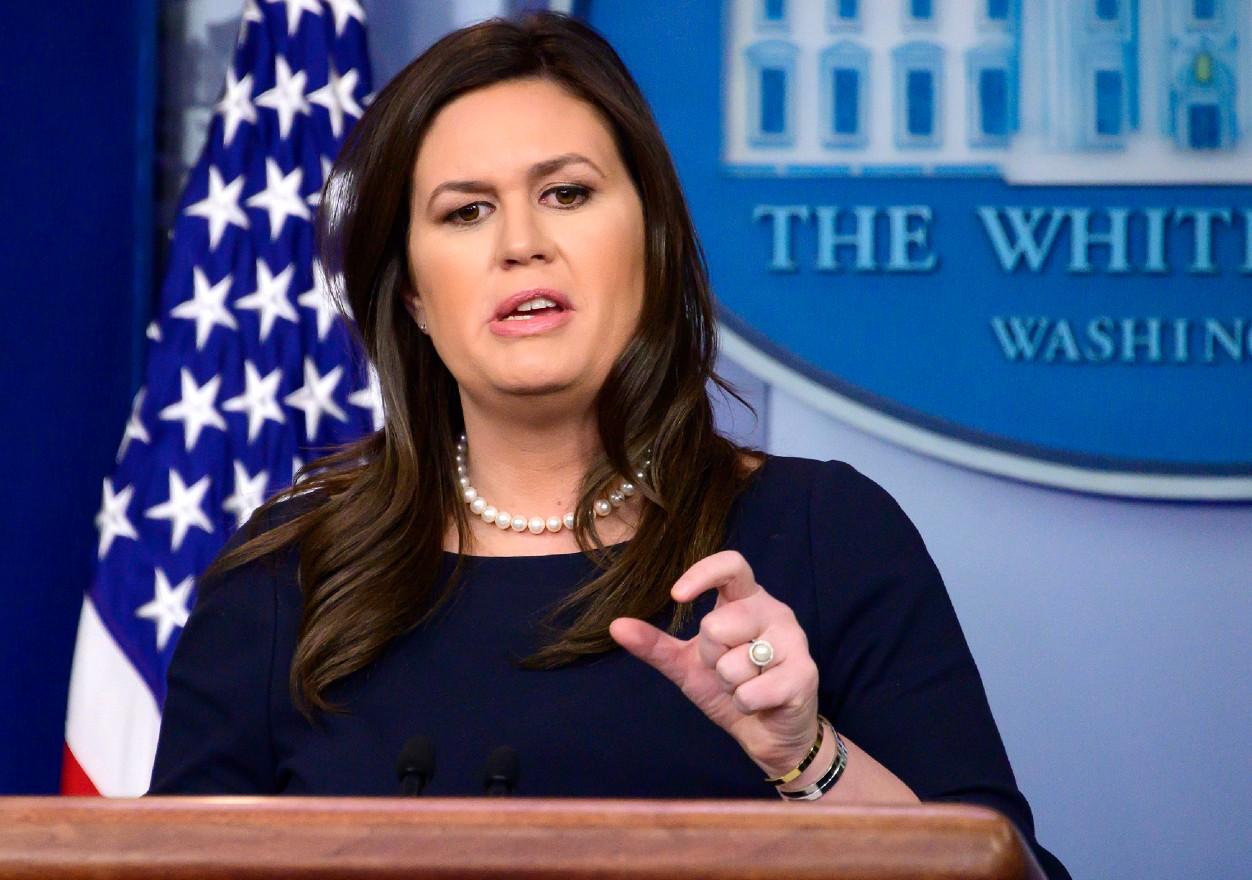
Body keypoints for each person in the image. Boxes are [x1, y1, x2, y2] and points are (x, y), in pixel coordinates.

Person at [149, 12, 1068, 878]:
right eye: (465, 212)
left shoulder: (822, 532)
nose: (521, 243)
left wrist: (806, 756)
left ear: (651, 241)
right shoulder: (290, 573)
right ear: (415, 298)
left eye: (567, 193)